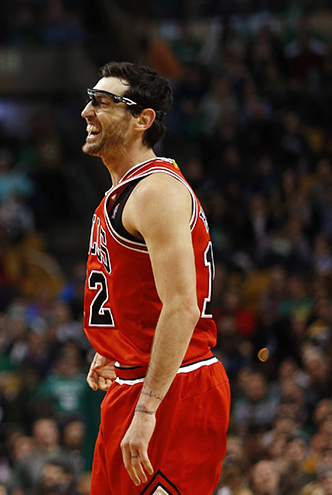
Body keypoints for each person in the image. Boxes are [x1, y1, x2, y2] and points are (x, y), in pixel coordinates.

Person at [80, 62, 230, 494]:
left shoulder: (156, 191)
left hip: (175, 386)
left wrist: (147, 411)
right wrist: (115, 343)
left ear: (142, 119)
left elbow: (182, 306)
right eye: (90, 99)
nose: (88, 111)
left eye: (103, 102)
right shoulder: (126, 191)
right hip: (134, 379)